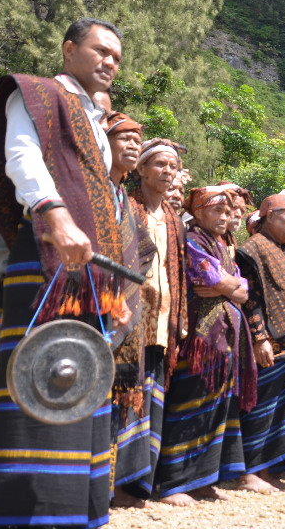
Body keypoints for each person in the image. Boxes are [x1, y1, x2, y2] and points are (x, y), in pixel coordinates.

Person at [0, 18, 142, 529]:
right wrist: (58, 218)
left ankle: (71, 513)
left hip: (89, 271)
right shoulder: (37, 96)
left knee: (77, 375)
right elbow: (23, 159)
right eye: (98, 50)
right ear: (68, 50)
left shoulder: (95, 118)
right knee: (39, 371)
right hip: (44, 254)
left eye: (116, 55)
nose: (109, 61)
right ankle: (22, 518)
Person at [156, 186, 254, 505]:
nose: (225, 217)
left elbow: (241, 287)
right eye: (217, 211)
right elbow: (217, 279)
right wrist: (227, 286)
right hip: (201, 340)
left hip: (223, 340)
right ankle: (173, 483)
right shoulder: (194, 240)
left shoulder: (224, 245)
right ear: (198, 212)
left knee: (216, 409)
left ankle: (203, 480)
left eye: (228, 212)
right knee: (190, 406)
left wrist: (226, 286)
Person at [235, 191, 285, 493]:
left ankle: (269, 466)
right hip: (273, 343)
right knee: (262, 409)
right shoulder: (253, 249)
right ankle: (248, 471)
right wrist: (260, 339)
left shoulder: (283, 250)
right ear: (270, 216)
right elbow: (252, 299)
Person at [126, 137, 189, 503]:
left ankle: (145, 483)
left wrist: (178, 314)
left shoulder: (171, 219)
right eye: (160, 165)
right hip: (131, 320)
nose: (168, 172)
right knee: (128, 395)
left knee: (153, 398)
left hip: (162, 324)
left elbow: (175, 270)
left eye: (173, 167)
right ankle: (121, 486)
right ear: (142, 169)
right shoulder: (127, 208)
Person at [103, 112, 159, 508]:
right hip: (95, 310)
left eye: (137, 139)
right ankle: (90, 492)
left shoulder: (121, 197)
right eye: (123, 137)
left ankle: (102, 491)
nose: (132, 144)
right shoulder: (92, 190)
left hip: (126, 315)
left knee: (116, 405)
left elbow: (141, 253)